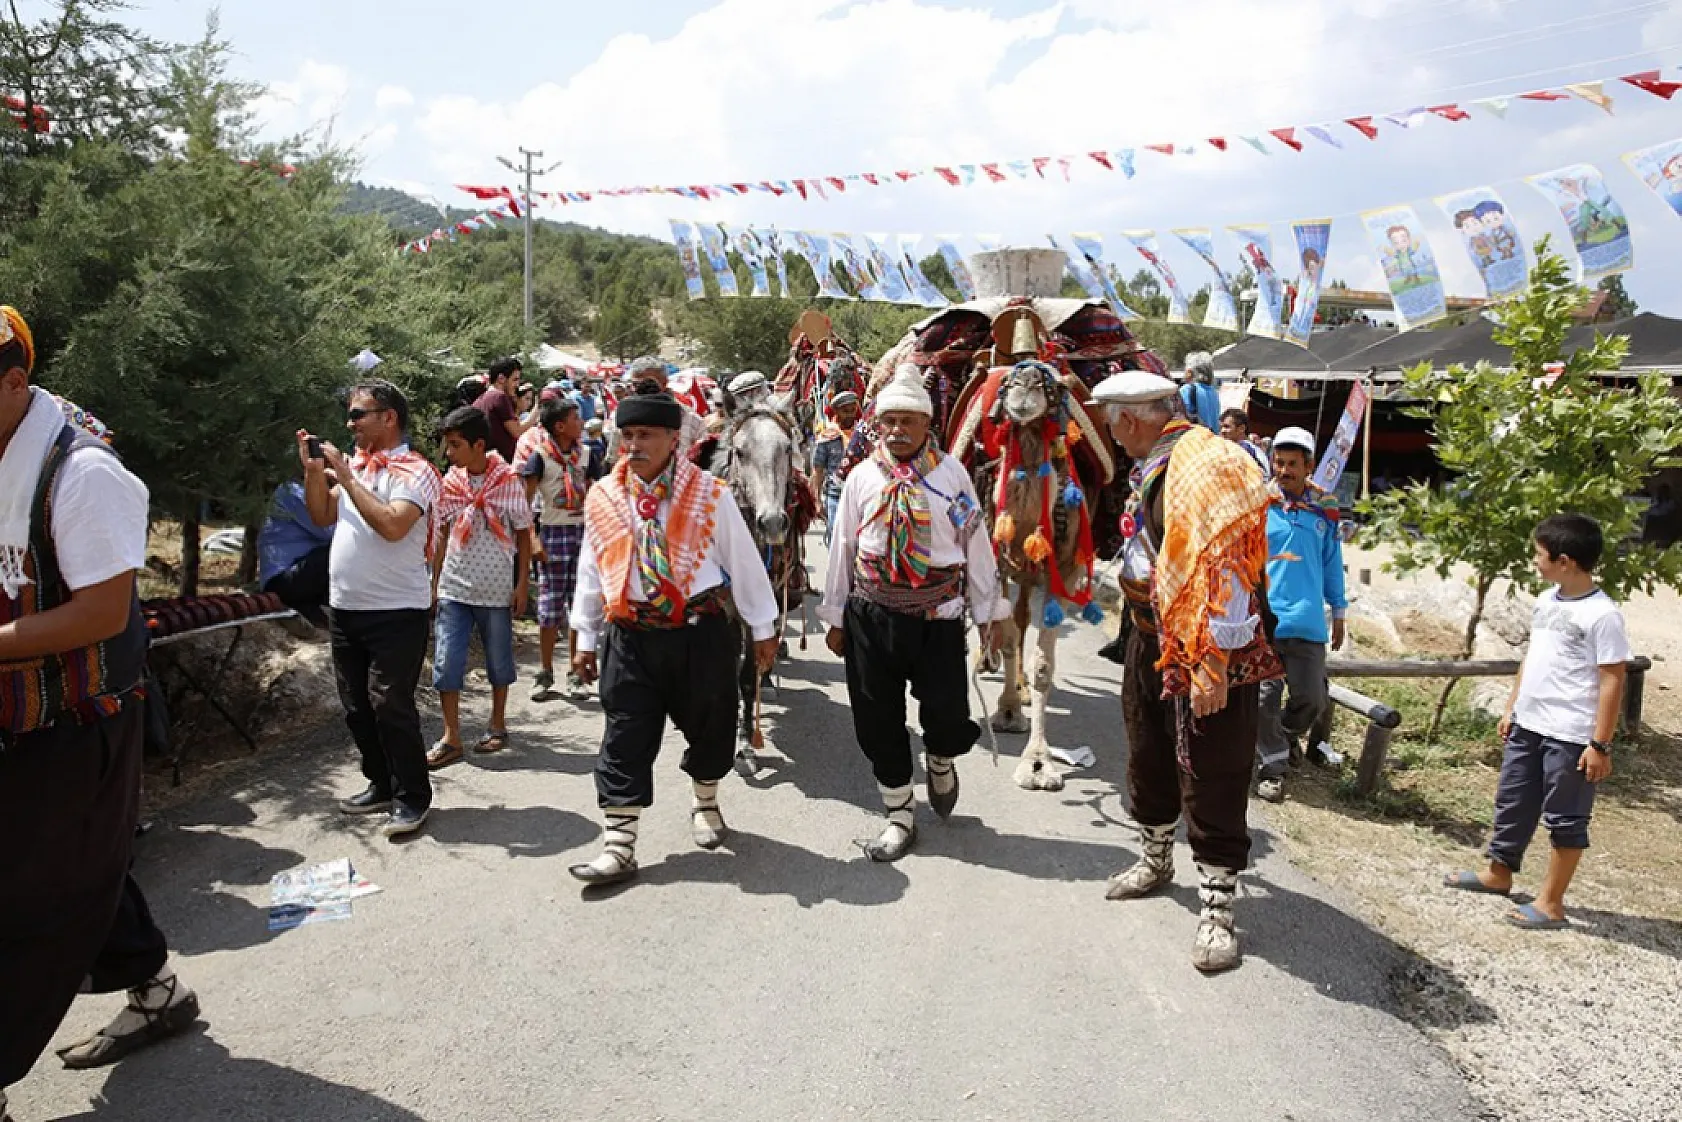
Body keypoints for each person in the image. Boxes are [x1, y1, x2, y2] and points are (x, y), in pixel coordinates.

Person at [0, 306, 198, 1118]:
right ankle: (156, 989)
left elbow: (99, 614)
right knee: (75, 863)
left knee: (28, 898)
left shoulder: (82, 472)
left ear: (14, 382)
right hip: (17, 718)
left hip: (77, 719)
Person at [1096, 369, 1280, 973]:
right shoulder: (1157, 461)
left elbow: (1225, 563)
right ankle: (1155, 859)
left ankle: (1218, 909)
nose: (1111, 432)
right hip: (1151, 636)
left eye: (1111, 420)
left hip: (1205, 651)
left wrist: (1215, 662)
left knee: (1214, 770)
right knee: (1147, 752)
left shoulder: (1203, 463)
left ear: (1131, 418)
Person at [567, 392, 780, 887]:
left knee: (712, 725)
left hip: (699, 633)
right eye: (628, 436)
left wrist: (763, 628)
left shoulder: (710, 494)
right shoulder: (604, 495)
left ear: (672, 440)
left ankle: (705, 802)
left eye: (646, 436)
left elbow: (744, 564)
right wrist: (583, 635)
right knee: (624, 734)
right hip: (631, 633)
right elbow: (591, 569)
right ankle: (619, 846)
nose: (635, 445)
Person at [821, 366, 1006, 862]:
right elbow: (843, 545)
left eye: (909, 421)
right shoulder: (861, 478)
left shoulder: (952, 475)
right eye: (890, 422)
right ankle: (900, 813)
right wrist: (835, 615)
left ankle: (941, 758)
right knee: (875, 719)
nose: (898, 431)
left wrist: (990, 610)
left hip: (938, 617)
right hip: (871, 613)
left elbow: (976, 541)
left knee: (947, 715)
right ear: (877, 426)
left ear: (928, 425)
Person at [1446, 514, 1630, 929]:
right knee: (1513, 801)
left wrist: (1599, 744)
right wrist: (1513, 705)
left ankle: (1551, 902)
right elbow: (1533, 657)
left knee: (1565, 818)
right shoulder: (1547, 601)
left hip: (1570, 734)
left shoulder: (1603, 615)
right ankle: (1499, 872)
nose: (1533, 561)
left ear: (1564, 561)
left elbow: (1611, 679)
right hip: (1529, 724)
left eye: (1538, 554)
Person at [299, 379, 442, 840]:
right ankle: (380, 784)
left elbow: (393, 526)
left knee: (390, 705)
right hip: (347, 607)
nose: (350, 423)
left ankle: (412, 797)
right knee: (356, 706)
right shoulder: (359, 468)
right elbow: (322, 516)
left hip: (397, 610)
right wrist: (313, 472)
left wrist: (345, 474)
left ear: (388, 417)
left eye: (359, 414)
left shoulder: (415, 472)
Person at [425, 407, 534, 768]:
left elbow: (522, 532)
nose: (450, 453)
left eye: (456, 445)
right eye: (447, 445)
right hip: (454, 588)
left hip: (495, 590)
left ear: (479, 444)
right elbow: (441, 533)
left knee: (498, 660)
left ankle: (498, 724)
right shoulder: (451, 482)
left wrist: (521, 585)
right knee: (446, 661)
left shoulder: (507, 482)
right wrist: (434, 581)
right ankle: (451, 736)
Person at [1254, 426, 1346, 803]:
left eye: (1293, 463)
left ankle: (1285, 737)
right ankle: (1272, 768)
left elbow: (1331, 564)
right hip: (1265, 620)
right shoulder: (1258, 504)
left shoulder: (1325, 510)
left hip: (1307, 622)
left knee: (1311, 698)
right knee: (1263, 698)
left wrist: (1339, 612)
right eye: (1279, 461)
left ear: (1309, 466)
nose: (1284, 470)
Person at [521, 395, 602, 701]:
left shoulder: (587, 456)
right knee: (549, 607)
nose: (581, 423)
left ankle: (575, 671)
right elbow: (523, 505)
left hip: (583, 534)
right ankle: (544, 671)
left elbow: (597, 495)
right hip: (553, 535)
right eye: (575, 418)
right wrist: (533, 540)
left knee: (578, 605)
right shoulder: (540, 457)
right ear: (560, 426)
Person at [257, 479, 335, 626]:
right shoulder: (293, 491)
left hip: (298, 574)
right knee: (343, 549)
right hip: (282, 580)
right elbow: (327, 529)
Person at [604, 355, 706, 462]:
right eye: (636, 384)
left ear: (664, 382)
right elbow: (613, 460)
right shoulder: (620, 416)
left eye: (649, 383)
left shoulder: (691, 419)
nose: (642, 389)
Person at [810, 390, 861, 546]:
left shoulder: (863, 435)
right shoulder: (827, 437)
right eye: (845, 411)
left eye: (853, 410)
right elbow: (818, 471)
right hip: (835, 496)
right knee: (836, 535)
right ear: (837, 411)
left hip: (860, 495)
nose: (850, 415)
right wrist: (817, 501)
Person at [472, 355, 530, 464]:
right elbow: (517, 431)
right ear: (501, 378)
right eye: (515, 379)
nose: (517, 385)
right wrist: (537, 411)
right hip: (499, 467)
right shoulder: (499, 397)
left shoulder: (481, 400)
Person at [1217, 407, 1271, 479]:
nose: (1222, 431)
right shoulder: (1229, 448)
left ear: (1241, 428)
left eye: (1226, 427)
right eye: (1220, 428)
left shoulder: (1247, 449)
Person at [1179, 351, 1222, 432]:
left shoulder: (1186, 390)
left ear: (1189, 372)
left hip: (1195, 440)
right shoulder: (1214, 392)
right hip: (1213, 440)